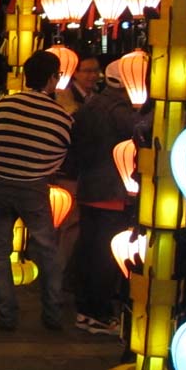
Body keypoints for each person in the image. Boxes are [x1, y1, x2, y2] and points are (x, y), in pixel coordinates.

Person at [0, 50, 73, 332]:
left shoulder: (3, 104)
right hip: (33, 185)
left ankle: (6, 314)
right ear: (53, 78)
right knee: (47, 249)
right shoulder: (60, 115)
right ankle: (52, 313)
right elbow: (60, 154)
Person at [68, 59, 138, 336]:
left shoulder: (91, 105)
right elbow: (143, 133)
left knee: (89, 251)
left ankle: (85, 311)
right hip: (112, 191)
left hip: (90, 187)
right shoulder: (120, 111)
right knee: (104, 257)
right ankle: (98, 313)